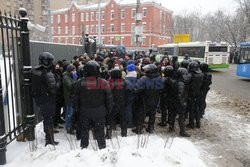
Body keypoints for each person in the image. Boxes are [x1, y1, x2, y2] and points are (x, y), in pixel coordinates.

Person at [74, 60, 113, 149]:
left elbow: (75, 98)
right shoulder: (103, 82)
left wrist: (77, 109)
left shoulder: (80, 82)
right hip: (99, 111)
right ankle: (102, 148)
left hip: (85, 111)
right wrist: (108, 109)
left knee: (85, 131)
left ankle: (84, 148)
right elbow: (109, 98)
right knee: (100, 132)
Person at [31, 52, 59, 146]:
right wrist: (58, 80)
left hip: (39, 99)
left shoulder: (34, 71)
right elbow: (53, 89)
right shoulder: (47, 73)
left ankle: (48, 137)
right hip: (47, 99)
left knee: (46, 119)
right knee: (49, 120)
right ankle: (50, 140)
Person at [133, 64, 162, 134]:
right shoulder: (159, 78)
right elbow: (161, 89)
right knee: (152, 114)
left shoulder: (144, 79)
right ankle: (150, 128)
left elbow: (137, 89)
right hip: (155, 99)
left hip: (144, 99)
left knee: (141, 114)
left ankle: (139, 129)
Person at [106, 69, 130, 138]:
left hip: (112, 103)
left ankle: (109, 133)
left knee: (110, 119)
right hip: (122, 103)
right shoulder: (124, 82)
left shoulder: (109, 83)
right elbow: (129, 92)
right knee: (123, 119)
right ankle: (124, 133)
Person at [170, 67, 190, 137]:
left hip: (173, 101)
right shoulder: (181, 83)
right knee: (181, 117)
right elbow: (180, 94)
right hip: (178, 102)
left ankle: (171, 127)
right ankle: (182, 131)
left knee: (172, 115)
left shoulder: (174, 81)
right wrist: (183, 103)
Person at [186, 61, 203, 129]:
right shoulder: (201, 74)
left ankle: (191, 124)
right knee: (196, 109)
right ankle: (198, 123)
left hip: (191, 94)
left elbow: (186, 82)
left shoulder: (191, 75)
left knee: (191, 109)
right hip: (198, 93)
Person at [63, 64, 78, 134]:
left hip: (72, 97)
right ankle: (68, 127)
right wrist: (74, 79)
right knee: (69, 113)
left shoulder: (69, 76)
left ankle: (71, 126)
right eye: (73, 70)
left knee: (71, 113)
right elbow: (71, 86)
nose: (75, 71)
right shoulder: (66, 77)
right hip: (69, 98)